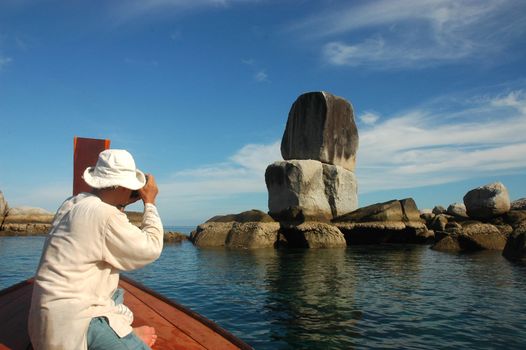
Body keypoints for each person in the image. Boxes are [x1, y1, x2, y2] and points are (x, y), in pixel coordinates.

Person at [28, 149, 164, 350]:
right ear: (119, 184)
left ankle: (118, 331)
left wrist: (122, 200)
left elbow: (99, 228)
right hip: (74, 325)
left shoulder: (71, 203)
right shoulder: (104, 215)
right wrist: (150, 203)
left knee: (116, 293)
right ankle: (117, 335)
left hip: (45, 319)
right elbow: (151, 247)